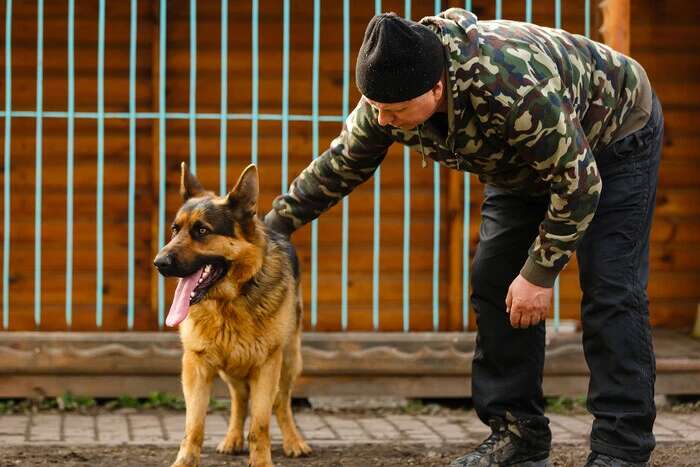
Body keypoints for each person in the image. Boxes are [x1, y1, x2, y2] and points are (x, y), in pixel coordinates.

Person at [264, 8, 662, 467]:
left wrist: (539, 272)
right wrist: (273, 227)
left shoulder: (511, 88)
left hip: (613, 135)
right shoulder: (388, 93)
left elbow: (578, 184)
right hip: (520, 162)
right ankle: (520, 437)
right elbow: (341, 163)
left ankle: (621, 449)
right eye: (376, 108)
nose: (384, 121)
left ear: (436, 88)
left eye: (394, 112)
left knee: (611, 290)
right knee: (493, 279)